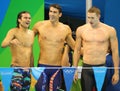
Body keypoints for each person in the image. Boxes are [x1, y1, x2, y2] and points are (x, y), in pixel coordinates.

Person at [73, 6, 119, 91]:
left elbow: (115, 52)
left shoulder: (109, 30)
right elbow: (77, 50)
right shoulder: (81, 30)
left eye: (92, 18)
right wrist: (74, 69)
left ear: (98, 16)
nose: (90, 20)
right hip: (86, 67)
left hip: (101, 68)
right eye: (88, 17)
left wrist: (116, 72)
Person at [32, 4, 75, 91]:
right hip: (42, 66)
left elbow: (74, 47)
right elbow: (27, 40)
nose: (51, 14)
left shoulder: (65, 29)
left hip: (56, 68)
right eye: (50, 11)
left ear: (60, 15)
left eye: (55, 12)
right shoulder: (39, 25)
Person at [1, 11, 34, 91]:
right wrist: (10, 42)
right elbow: (3, 44)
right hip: (16, 68)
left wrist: (32, 69)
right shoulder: (13, 31)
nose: (28, 20)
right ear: (19, 20)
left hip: (27, 69)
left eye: (29, 18)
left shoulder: (32, 33)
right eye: (25, 18)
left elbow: (31, 52)